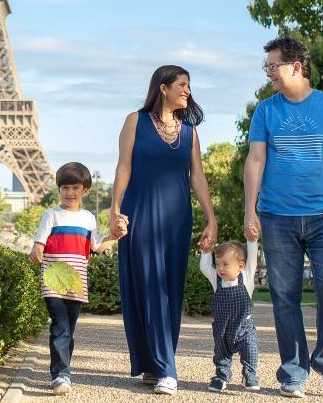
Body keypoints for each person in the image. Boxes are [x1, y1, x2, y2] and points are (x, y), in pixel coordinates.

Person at [242, 37, 323, 398]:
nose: (269, 75)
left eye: (273, 67)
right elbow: (255, 160)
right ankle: (293, 372)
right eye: (267, 68)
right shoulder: (265, 110)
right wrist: (250, 209)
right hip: (277, 216)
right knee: (284, 296)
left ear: (296, 66)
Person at [109, 65, 217, 396]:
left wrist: (211, 219)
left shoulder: (190, 132)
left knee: (170, 289)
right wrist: (114, 210)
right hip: (140, 213)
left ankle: (153, 362)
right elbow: (123, 165)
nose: (187, 90)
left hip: (177, 220)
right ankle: (167, 369)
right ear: (162, 88)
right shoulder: (135, 121)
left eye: (188, 85)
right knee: (150, 287)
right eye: (182, 85)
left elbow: (197, 177)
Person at [30, 162, 127, 395]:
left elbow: (96, 246)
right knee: (60, 327)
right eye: (65, 188)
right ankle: (61, 375)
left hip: (76, 282)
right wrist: (36, 251)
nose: (70, 193)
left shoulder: (88, 218)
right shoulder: (50, 215)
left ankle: (63, 370)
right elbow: (39, 243)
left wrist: (115, 236)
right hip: (53, 279)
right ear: (58, 190)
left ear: (85, 190)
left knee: (68, 330)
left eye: (75, 187)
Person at [199, 241, 260, 393]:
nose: (220, 268)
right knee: (221, 354)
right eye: (218, 263)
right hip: (222, 329)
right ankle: (222, 376)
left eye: (225, 264)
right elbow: (204, 267)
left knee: (250, 350)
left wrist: (252, 240)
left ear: (241, 266)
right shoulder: (217, 280)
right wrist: (206, 252)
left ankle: (250, 374)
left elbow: (252, 257)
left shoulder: (246, 277)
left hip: (244, 329)